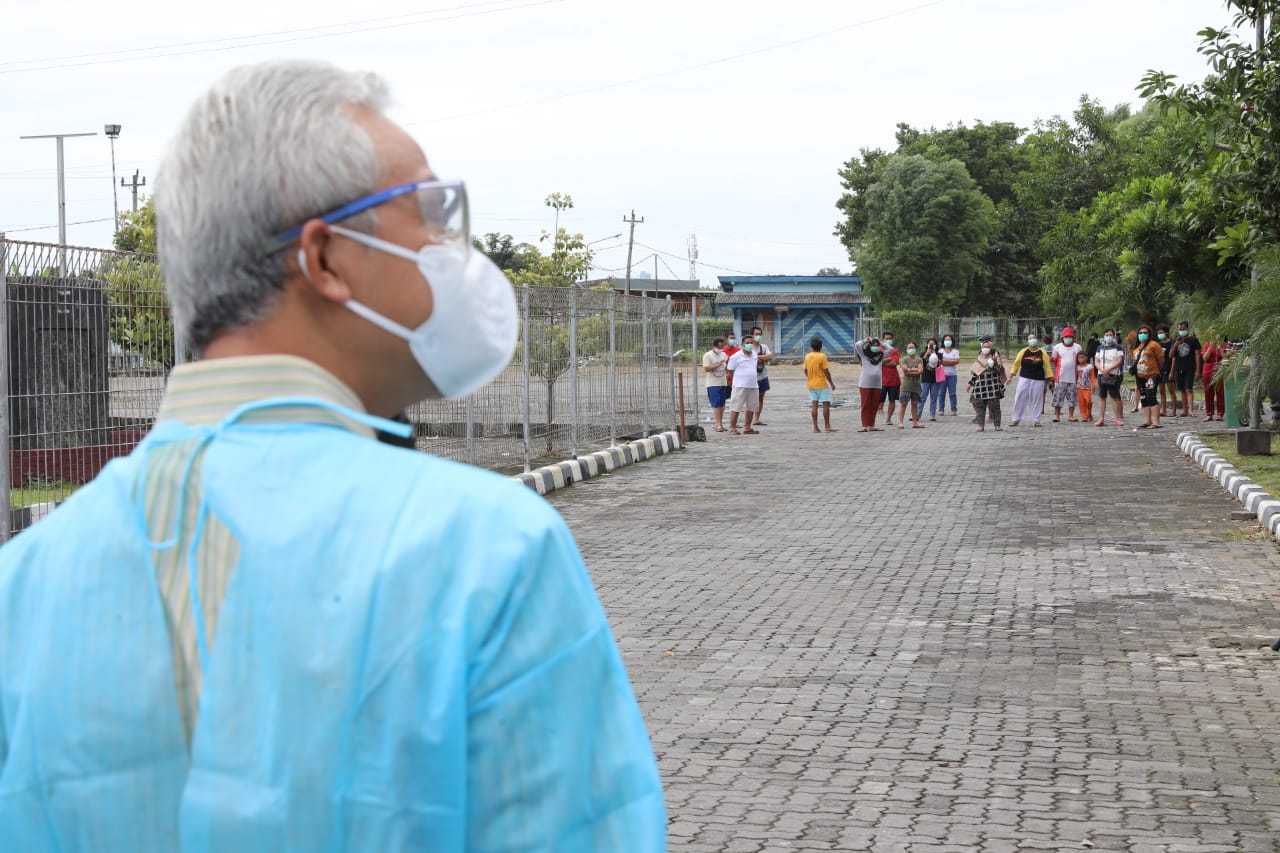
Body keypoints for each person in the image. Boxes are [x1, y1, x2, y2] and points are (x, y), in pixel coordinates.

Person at [0, 61, 666, 851]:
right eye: (429, 211)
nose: (456, 248)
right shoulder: (488, 552)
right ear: (325, 259)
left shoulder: (24, 584)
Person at [1006, 332, 1050, 427]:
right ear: (1028, 341)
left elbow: (1047, 366)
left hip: (1038, 379)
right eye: (1030, 339)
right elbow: (1016, 364)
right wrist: (1011, 376)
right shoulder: (1023, 352)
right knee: (1019, 397)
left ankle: (1036, 420)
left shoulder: (1042, 352)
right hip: (1024, 378)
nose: (1032, 340)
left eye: (1034, 338)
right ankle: (1016, 419)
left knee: (1036, 399)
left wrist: (1051, 377)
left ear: (1037, 340)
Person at [967, 337, 1005, 432]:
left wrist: (994, 363)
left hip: (993, 385)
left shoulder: (995, 355)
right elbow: (975, 372)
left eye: (987, 346)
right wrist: (970, 383)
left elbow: (999, 369)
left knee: (995, 407)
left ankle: (997, 425)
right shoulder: (980, 357)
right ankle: (981, 425)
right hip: (981, 386)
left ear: (991, 347)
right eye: (984, 346)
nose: (985, 348)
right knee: (980, 407)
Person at [726, 333, 761, 435]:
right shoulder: (736, 356)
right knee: (736, 407)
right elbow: (730, 370)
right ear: (742, 344)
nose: (749, 344)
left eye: (751, 342)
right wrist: (736, 380)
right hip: (740, 385)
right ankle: (732, 427)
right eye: (747, 343)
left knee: (751, 407)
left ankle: (747, 427)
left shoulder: (754, 355)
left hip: (753, 385)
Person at [1132, 324, 1166, 429]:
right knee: (1143, 397)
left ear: (1149, 334)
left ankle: (1156, 422)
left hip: (1151, 376)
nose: (1142, 335)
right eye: (1140, 333)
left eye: (1145, 333)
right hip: (1139, 376)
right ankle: (1147, 421)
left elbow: (1161, 360)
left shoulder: (1154, 345)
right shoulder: (1136, 348)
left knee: (1151, 396)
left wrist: (1155, 370)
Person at [1093, 328, 1127, 427]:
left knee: (1115, 396)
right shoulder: (1099, 348)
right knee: (1102, 397)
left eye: (1110, 335)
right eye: (1107, 335)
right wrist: (1102, 370)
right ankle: (1101, 419)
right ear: (1104, 336)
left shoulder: (1118, 347)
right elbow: (1096, 360)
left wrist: (1108, 369)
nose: (1108, 337)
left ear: (1113, 336)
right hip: (1101, 374)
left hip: (1114, 374)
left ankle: (1117, 418)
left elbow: (1119, 360)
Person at [804, 336, 838, 432]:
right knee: (826, 404)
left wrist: (810, 378)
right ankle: (827, 426)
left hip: (811, 384)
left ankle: (815, 427)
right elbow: (826, 371)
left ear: (811, 346)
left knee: (814, 405)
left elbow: (805, 370)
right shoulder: (822, 356)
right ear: (821, 346)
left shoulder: (807, 356)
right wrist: (831, 383)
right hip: (822, 384)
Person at [1169, 320, 1202, 418]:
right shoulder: (1176, 340)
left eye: (1183, 329)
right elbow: (1171, 356)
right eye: (1179, 329)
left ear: (1187, 328)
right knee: (1182, 389)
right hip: (1179, 368)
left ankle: (1191, 410)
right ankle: (1184, 410)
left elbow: (1197, 355)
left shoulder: (1193, 340)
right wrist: (1176, 345)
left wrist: (1197, 370)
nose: (1181, 331)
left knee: (1189, 389)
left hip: (1190, 367)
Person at [853, 335, 885, 432]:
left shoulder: (881, 355)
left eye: (877, 345)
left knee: (875, 405)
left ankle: (872, 425)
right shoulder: (864, 354)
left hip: (877, 384)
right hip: (865, 383)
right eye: (873, 345)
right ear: (870, 345)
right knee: (865, 405)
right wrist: (865, 340)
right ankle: (864, 425)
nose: (875, 347)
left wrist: (881, 342)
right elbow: (857, 345)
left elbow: (890, 348)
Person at [1050, 326, 1082, 422]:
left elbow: (1080, 360)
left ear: (1073, 337)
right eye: (1066, 337)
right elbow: (1054, 360)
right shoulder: (1057, 347)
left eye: (1070, 337)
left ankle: (1071, 415)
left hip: (1073, 378)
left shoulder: (1077, 347)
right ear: (1062, 338)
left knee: (1072, 397)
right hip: (1060, 377)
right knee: (1058, 397)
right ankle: (1057, 416)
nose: (1068, 339)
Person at [702, 337, 729, 432]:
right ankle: (718, 424)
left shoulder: (724, 354)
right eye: (719, 346)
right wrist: (718, 364)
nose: (720, 348)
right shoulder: (708, 355)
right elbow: (706, 369)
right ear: (714, 346)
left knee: (722, 404)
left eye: (722, 346)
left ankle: (719, 423)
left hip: (723, 382)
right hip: (713, 383)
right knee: (716, 403)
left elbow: (726, 366)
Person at [898, 342, 925, 429]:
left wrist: (910, 370)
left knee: (915, 404)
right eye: (909, 348)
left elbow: (920, 371)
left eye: (912, 347)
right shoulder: (904, 359)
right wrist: (914, 370)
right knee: (903, 404)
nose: (911, 349)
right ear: (906, 349)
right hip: (906, 386)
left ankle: (915, 422)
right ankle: (901, 422)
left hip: (916, 386)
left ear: (915, 349)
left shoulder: (919, 360)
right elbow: (905, 370)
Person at [750, 325, 774, 425]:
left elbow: (769, 357)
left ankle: (756, 419)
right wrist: (761, 358)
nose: (758, 336)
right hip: (751, 378)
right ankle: (749, 419)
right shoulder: (748, 347)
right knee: (751, 398)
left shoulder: (764, 347)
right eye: (756, 334)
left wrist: (757, 357)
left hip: (762, 376)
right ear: (752, 335)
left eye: (759, 334)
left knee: (761, 397)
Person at [1202, 331, 1226, 422]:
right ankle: (1209, 414)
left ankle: (1220, 413)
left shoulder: (1223, 345)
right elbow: (1205, 358)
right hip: (1208, 371)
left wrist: (1220, 349)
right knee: (1208, 392)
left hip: (1219, 371)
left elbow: (1225, 358)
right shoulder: (1206, 344)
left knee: (1220, 392)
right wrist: (1210, 347)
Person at [880, 330, 901, 425]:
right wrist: (888, 359)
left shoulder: (895, 350)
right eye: (886, 339)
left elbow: (895, 363)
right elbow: (876, 362)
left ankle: (888, 418)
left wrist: (883, 361)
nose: (888, 340)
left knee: (892, 400)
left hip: (893, 380)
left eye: (890, 339)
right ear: (882, 340)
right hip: (881, 380)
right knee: (878, 399)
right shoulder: (879, 350)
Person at [919, 337, 942, 421]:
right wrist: (927, 354)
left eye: (933, 344)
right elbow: (921, 363)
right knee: (922, 397)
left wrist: (934, 354)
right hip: (925, 379)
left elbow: (939, 364)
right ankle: (918, 414)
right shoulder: (923, 353)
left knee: (934, 398)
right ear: (927, 345)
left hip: (935, 379)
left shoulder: (939, 354)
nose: (932, 346)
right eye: (930, 344)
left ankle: (932, 415)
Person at [939, 333, 962, 415]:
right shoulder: (940, 351)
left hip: (952, 375)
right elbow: (940, 362)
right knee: (941, 393)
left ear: (952, 341)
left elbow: (957, 361)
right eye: (946, 340)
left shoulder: (956, 351)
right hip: (942, 374)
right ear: (943, 341)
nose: (947, 341)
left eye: (949, 340)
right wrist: (951, 361)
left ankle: (954, 409)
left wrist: (945, 361)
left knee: (952, 394)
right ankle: (941, 409)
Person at [1155, 323, 1175, 416]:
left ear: (1166, 333)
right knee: (1162, 391)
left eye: (1161, 332)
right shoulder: (1158, 344)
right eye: (1158, 333)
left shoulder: (1171, 343)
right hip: (1160, 369)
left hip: (1168, 368)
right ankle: (1164, 410)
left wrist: (1172, 371)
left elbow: (1173, 358)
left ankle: (1174, 411)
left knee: (1171, 390)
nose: (1160, 334)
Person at [1075, 351, 1094, 424]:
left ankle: (1089, 413)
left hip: (1087, 387)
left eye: (1082, 357)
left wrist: (1093, 385)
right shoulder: (1077, 367)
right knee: (1081, 403)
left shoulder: (1089, 367)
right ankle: (1084, 416)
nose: (1081, 359)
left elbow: (1092, 377)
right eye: (1079, 357)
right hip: (1079, 387)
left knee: (1088, 401)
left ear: (1086, 358)